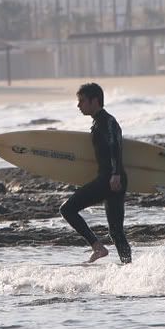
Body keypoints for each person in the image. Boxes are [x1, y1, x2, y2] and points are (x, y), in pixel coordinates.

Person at [60, 83, 132, 264]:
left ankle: (97, 247)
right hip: (113, 179)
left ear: (95, 101)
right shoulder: (100, 122)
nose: (79, 105)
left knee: (67, 209)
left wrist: (114, 174)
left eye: (82, 101)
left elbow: (115, 146)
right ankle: (128, 266)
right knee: (116, 231)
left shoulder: (107, 122)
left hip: (110, 179)